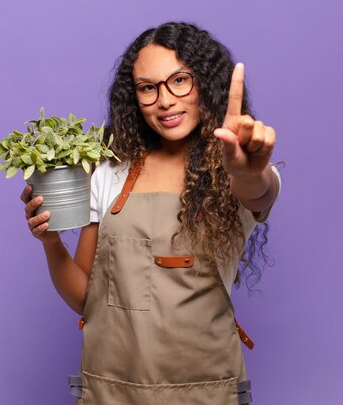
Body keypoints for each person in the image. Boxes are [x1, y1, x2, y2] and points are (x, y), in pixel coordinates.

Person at [20, 22, 280, 405]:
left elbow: (260, 193)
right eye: (148, 87)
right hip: (111, 391)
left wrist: (248, 171)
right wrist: (50, 241)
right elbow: (84, 298)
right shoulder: (110, 170)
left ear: (206, 84)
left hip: (206, 391)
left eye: (180, 81)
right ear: (134, 97)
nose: (165, 100)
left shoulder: (236, 169)